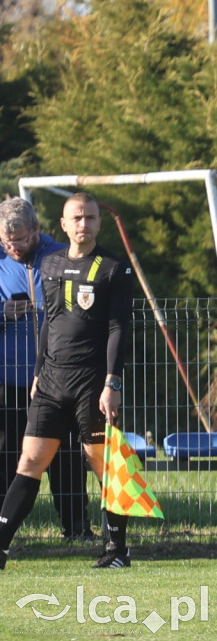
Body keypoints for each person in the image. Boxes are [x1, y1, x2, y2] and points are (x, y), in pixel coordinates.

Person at [0, 193, 134, 570]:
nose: (83, 224)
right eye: (76, 218)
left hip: (92, 384)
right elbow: (50, 323)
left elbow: (118, 328)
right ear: (62, 224)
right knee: (29, 462)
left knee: (102, 465)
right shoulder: (51, 264)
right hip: (51, 383)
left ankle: (117, 550)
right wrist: (40, 371)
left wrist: (113, 383)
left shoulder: (114, 268)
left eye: (90, 218)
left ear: (98, 223)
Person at [0, 198, 94, 542]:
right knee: (7, 457)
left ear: (37, 231)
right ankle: (6, 532)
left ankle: (76, 528)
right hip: (7, 379)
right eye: (7, 242)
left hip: (58, 379)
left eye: (21, 240)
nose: (13, 247)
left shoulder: (60, 255)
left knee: (66, 456)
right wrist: (3, 312)